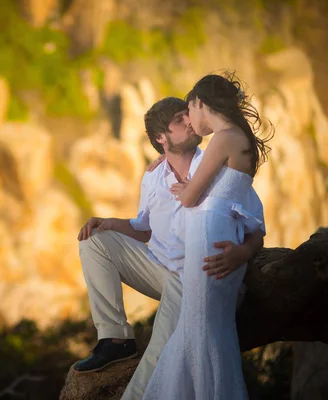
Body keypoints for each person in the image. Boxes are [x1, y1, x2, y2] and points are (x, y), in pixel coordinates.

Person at [73, 96, 266, 400]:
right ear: (162, 138)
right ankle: (115, 339)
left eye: (187, 115)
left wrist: (242, 253)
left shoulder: (218, 164)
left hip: (195, 277)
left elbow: (256, 230)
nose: (190, 122)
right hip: (159, 268)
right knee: (94, 240)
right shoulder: (153, 176)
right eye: (180, 119)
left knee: (159, 352)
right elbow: (144, 228)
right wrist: (109, 223)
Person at [142, 73, 273, 400]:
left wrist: (186, 188)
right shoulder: (236, 136)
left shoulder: (222, 139)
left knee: (202, 329)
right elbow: (218, 192)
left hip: (209, 236)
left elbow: (189, 199)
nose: (188, 120)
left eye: (189, 110)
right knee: (200, 328)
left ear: (201, 103)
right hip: (215, 233)